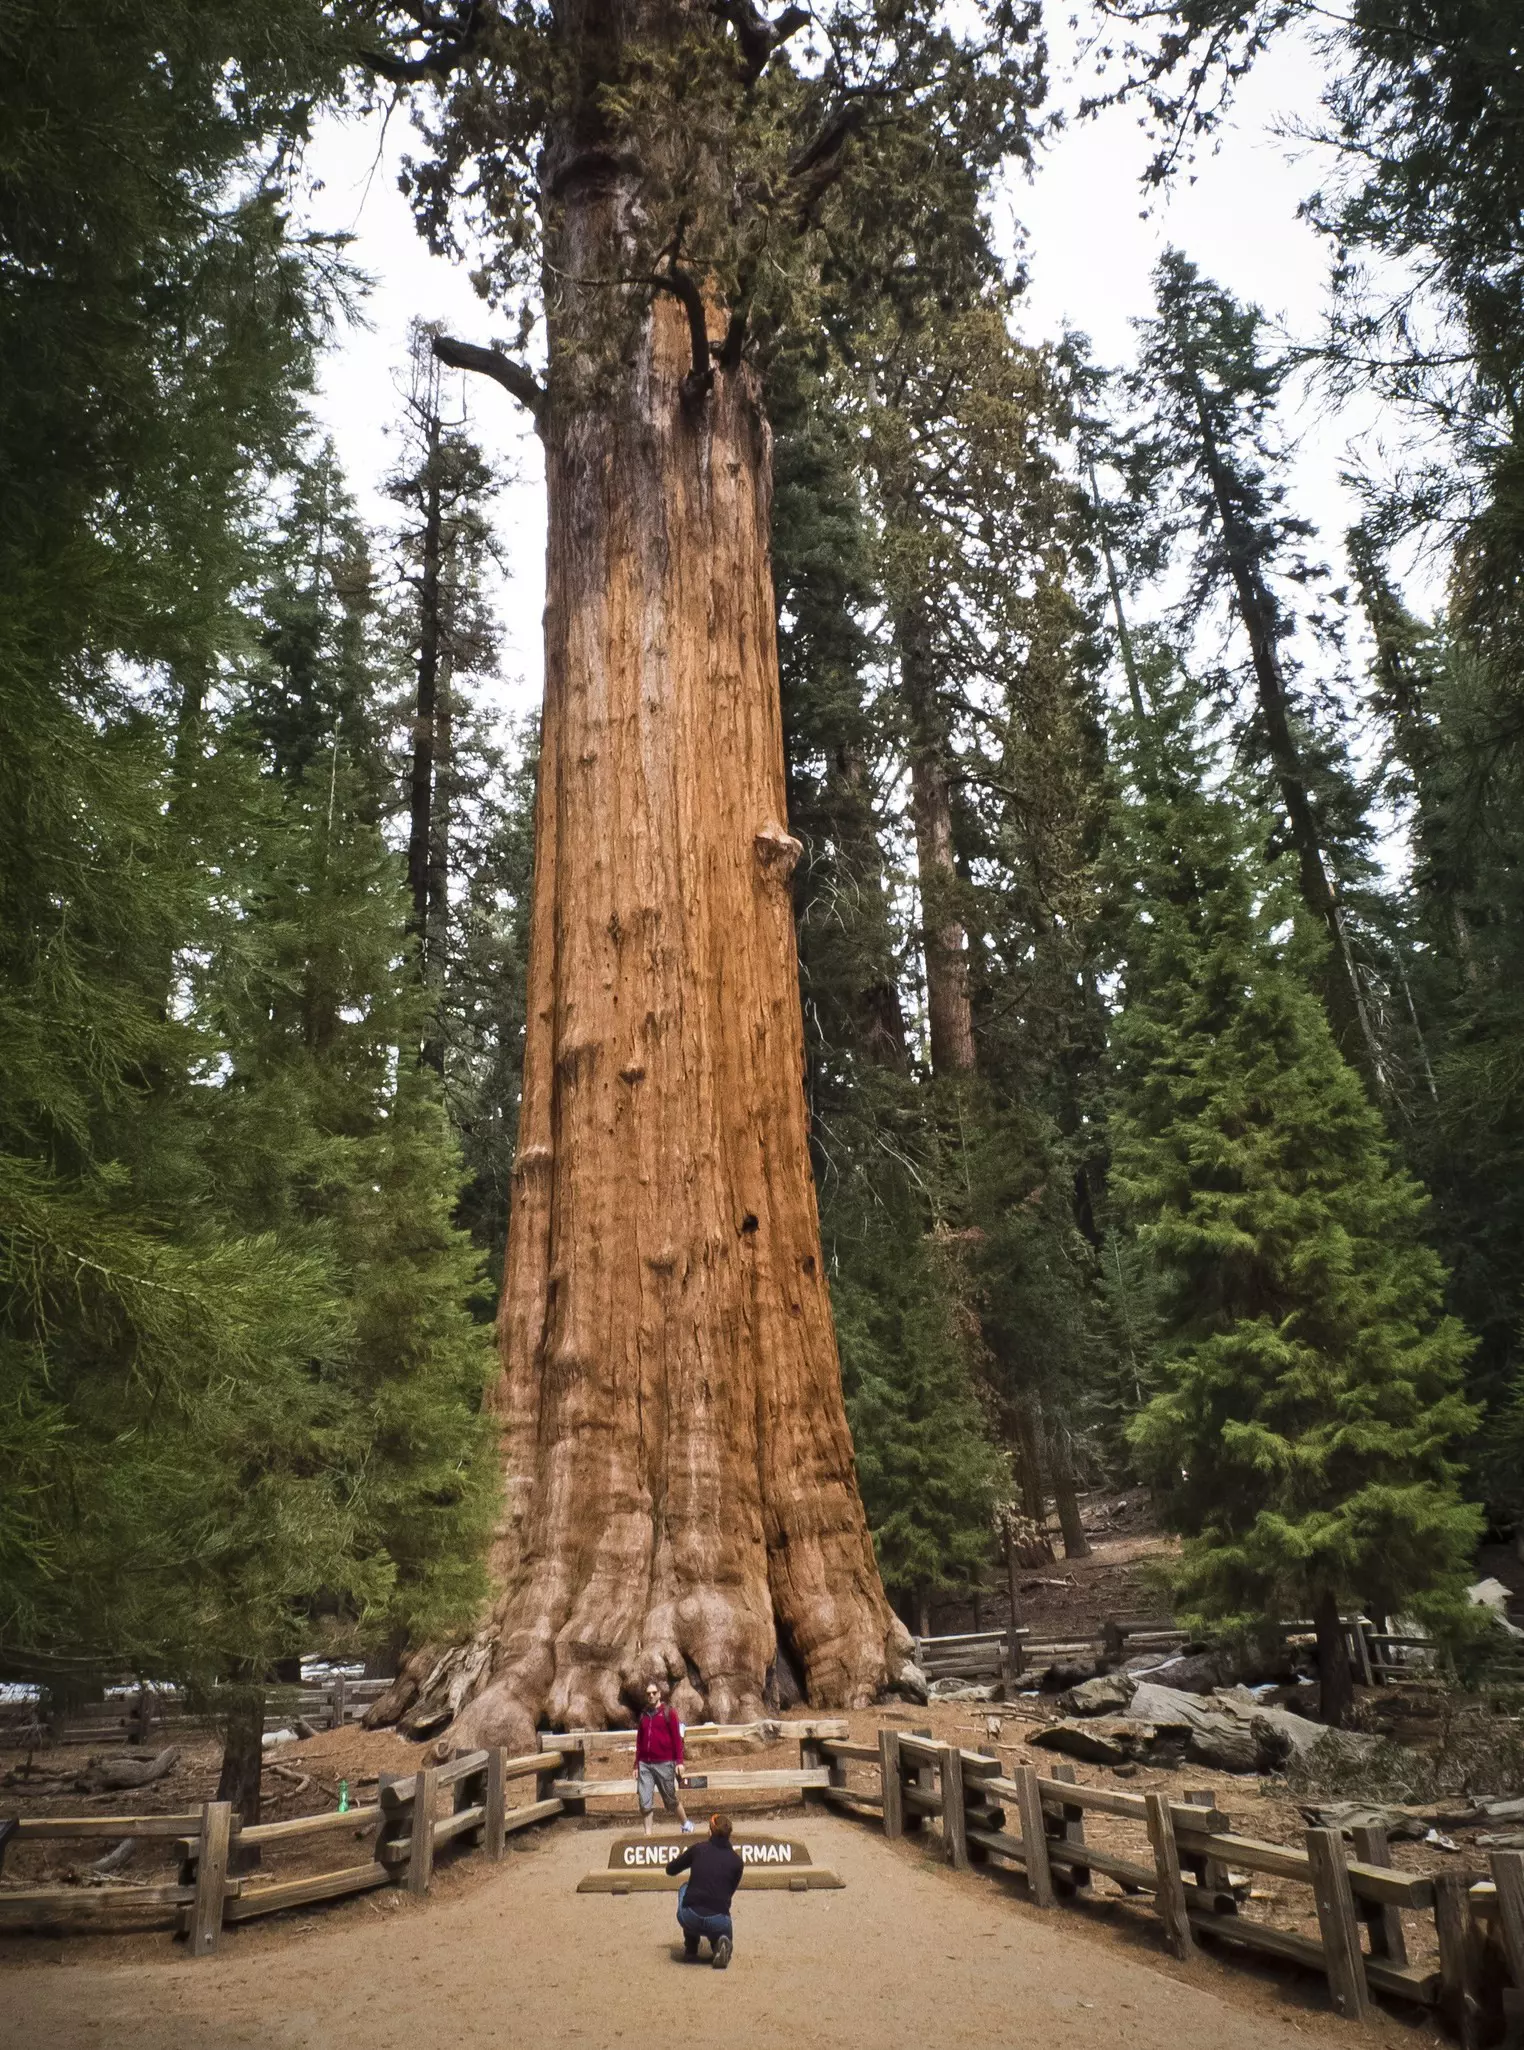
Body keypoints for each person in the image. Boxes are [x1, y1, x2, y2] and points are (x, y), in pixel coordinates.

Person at [666, 1812, 743, 1968]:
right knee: (719, 1901)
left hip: (690, 1915)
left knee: (685, 1888)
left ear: (710, 1831)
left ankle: (691, 1947)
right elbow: (729, 1892)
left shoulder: (699, 1849)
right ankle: (719, 1944)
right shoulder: (737, 1862)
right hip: (719, 1920)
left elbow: (671, 1870)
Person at [635, 1679, 692, 1838]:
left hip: (665, 1762)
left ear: (659, 1694)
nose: (651, 1696)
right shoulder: (644, 1715)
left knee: (670, 1799)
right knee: (644, 1801)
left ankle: (686, 1824)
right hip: (645, 1764)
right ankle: (648, 1835)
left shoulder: (669, 1713)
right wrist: (636, 1765)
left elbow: (676, 1739)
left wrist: (679, 1762)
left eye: (654, 1693)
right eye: (648, 1694)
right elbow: (639, 1741)